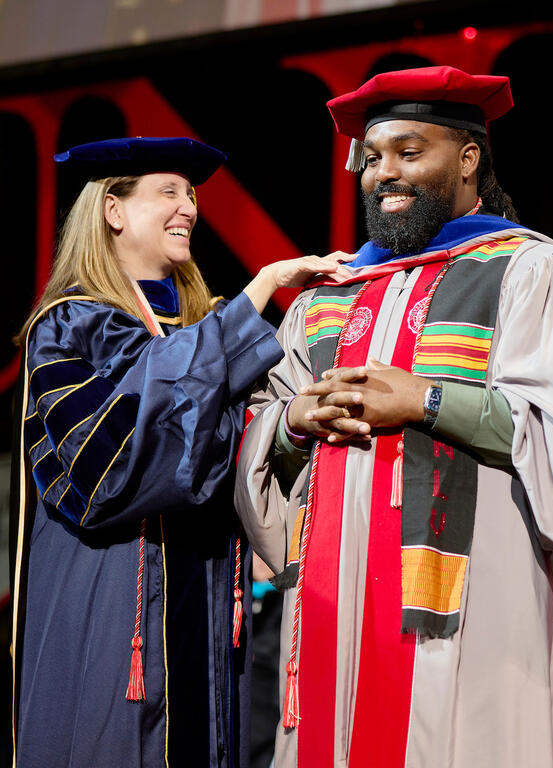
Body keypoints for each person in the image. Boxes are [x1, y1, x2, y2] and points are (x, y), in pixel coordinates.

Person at [235, 66, 553, 768]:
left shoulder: (531, 272)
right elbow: (259, 432)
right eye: (372, 158)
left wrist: (425, 401)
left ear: (468, 159)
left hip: (475, 606)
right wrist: (294, 419)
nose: (384, 174)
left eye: (407, 152)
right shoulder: (328, 295)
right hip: (334, 607)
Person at [9, 136, 350, 768]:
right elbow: (112, 469)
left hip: (209, 604)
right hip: (111, 612)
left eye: (190, 195)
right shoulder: (68, 327)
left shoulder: (204, 332)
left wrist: (291, 423)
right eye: (168, 191)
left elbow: (236, 448)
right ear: (113, 210)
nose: (188, 207)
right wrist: (261, 289)